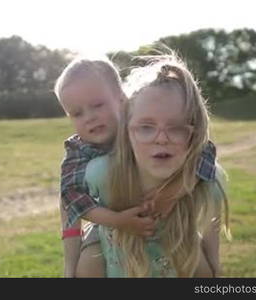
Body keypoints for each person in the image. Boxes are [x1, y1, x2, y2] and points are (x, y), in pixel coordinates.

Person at [54, 56, 218, 277]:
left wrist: (172, 192)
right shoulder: (79, 150)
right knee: (88, 266)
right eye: (77, 113)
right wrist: (118, 221)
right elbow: (71, 197)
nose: (90, 117)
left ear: (122, 99)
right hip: (107, 225)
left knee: (201, 268)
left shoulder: (141, 126)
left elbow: (203, 149)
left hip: (165, 220)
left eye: (97, 105)